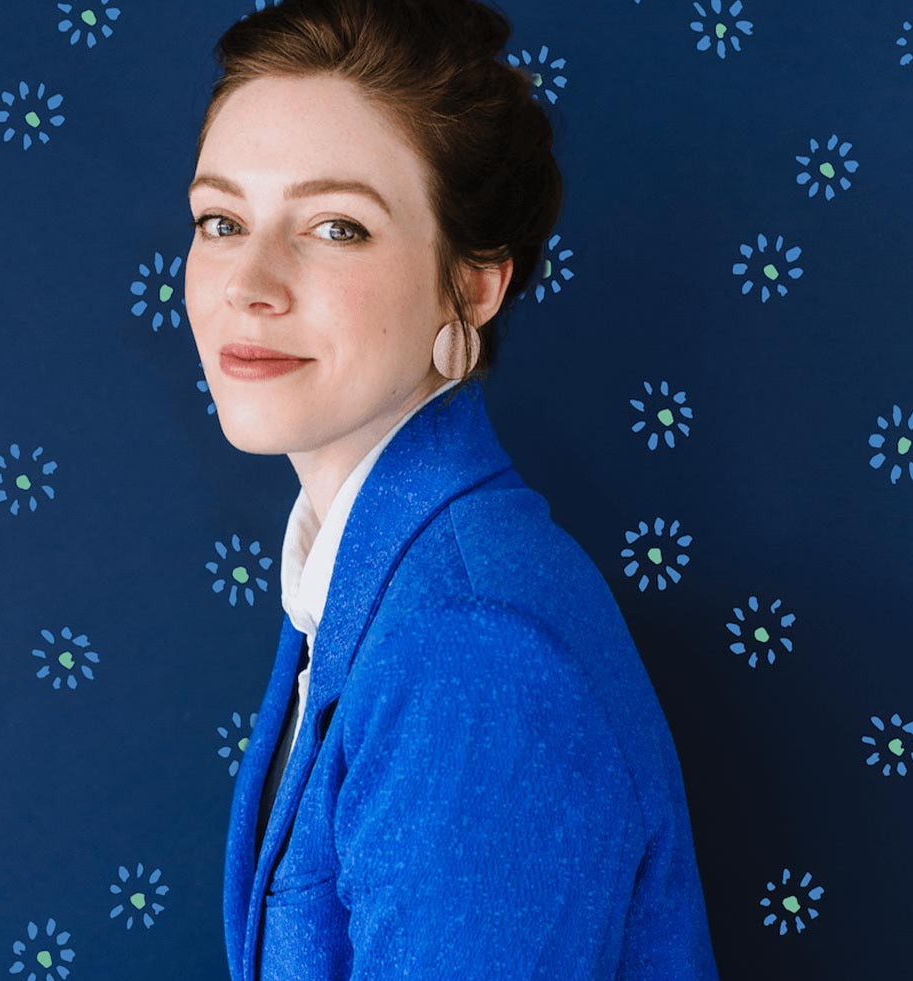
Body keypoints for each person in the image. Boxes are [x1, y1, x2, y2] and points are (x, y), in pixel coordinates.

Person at [184, 0, 720, 977]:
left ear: (473, 285)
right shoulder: (359, 579)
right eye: (221, 220)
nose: (249, 282)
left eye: (336, 227)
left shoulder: (471, 644)